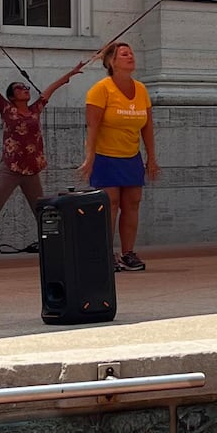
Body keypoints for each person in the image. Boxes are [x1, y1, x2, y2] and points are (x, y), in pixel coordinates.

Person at [0, 52, 82, 259]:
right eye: (19, 88)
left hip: (31, 168)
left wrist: (72, 72)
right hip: (11, 168)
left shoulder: (35, 109)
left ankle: (56, 246)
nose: (25, 89)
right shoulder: (6, 109)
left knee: (40, 211)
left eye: (25, 88)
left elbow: (52, 87)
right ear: (12, 96)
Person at [79, 39, 158, 271]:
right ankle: (104, 252)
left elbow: (147, 126)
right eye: (124, 54)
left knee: (132, 203)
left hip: (130, 156)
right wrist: (89, 158)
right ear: (111, 62)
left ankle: (128, 253)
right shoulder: (100, 90)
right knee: (109, 204)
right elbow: (92, 126)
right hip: (106, 156)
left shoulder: (141, 89)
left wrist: (151, 157)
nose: (130, 57)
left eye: (131, 53)